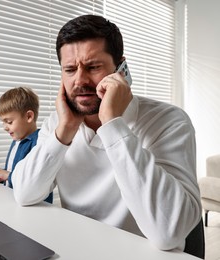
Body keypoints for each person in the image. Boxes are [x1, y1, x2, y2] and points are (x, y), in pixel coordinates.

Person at [11, 14, 203, 255]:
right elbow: (24, 193)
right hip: (78, 250)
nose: (79, 80)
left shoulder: (169, 121)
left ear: (121, 69)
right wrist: (65, 131)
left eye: (93, 67)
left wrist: (112, 123)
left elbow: (168, 233)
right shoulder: (59, 123)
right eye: (69, 69)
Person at [0, 87, 53, 203]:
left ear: (29, 116)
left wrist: (8, 175)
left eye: (9, 122)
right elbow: (12, 172)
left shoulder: (39, 142)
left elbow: (34, 179)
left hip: (35, 208)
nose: (5, 127)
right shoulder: (17, 141)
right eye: (3, 122)